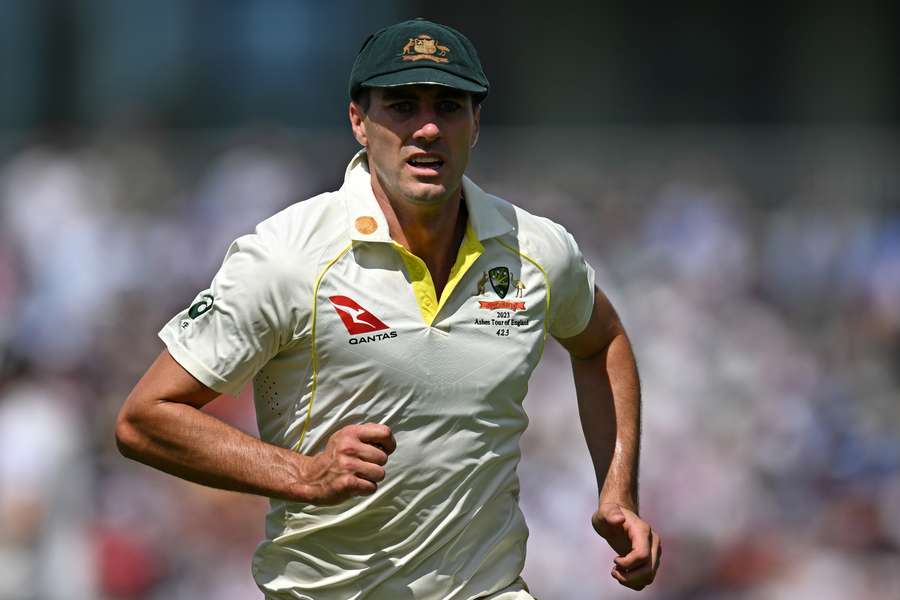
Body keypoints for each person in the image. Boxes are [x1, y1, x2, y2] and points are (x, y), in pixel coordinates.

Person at [116, 18, 660, 599]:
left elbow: (602, 340)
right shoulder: (287, 256)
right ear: (358, 120)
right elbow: (145, 417)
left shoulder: (536, 248)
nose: (427, 129)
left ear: (475, 123)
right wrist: (303, 473)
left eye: (449, 107)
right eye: (402, 106)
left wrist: (618, 490)